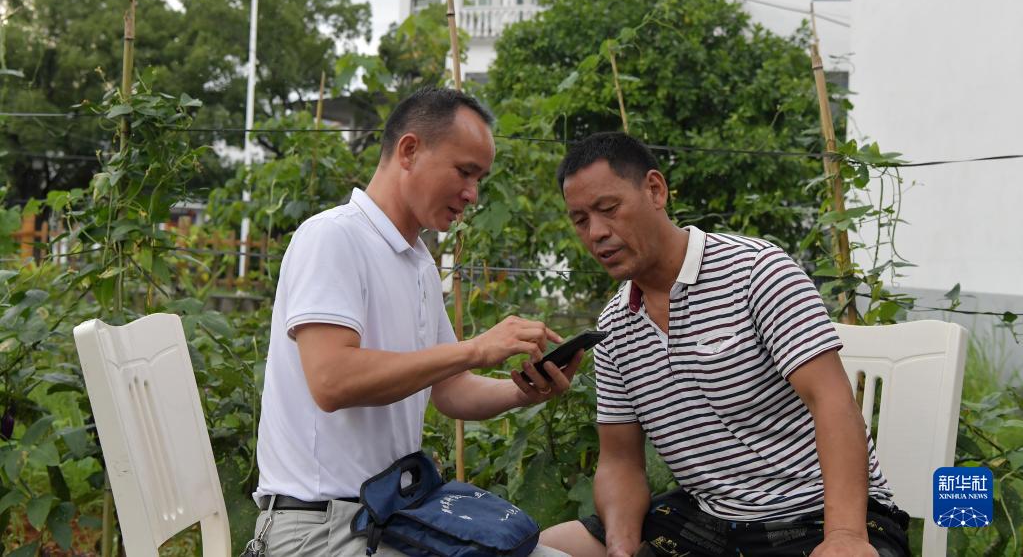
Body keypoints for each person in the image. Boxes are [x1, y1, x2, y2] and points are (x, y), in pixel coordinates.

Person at [540, 132, 910, 557]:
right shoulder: (614, 326)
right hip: (708, 521)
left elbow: (832, 400)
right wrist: (621, 547)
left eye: (609, 209)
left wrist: (845, 535)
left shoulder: (756, 272)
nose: (597, 233)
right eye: (580, 220)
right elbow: (620, 461)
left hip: (817, 516)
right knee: (541, 548)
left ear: (655, 190)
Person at [252, 87, 580, 556]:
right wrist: (475, 348)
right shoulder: (333, 237)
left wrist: (523, 391)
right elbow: (332, 380)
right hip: (319, 530)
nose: (472, 193)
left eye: (480, 178)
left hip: (387, 518)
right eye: (464, 171)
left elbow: (450, 389)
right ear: (409, 150)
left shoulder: (418, 262)